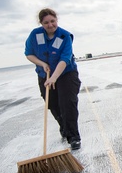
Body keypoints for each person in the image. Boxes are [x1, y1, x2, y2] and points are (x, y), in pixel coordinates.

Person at [24, 9, 81, 149]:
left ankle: (73, 136)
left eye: (52, 21)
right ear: (41, 23)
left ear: (56, 20)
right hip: (44, 73)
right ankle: (63, 126)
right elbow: (29, 54)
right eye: (46, 22)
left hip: (66, 73)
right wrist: (42, 64)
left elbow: (65, 59)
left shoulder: (65, 36)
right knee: (52, 103)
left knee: (67, 103)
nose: (50, 25)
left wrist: (54, 78)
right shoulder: (35, 34)